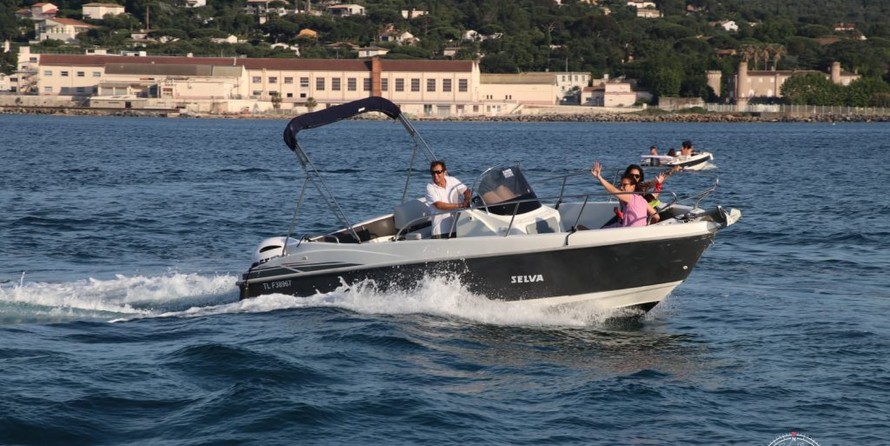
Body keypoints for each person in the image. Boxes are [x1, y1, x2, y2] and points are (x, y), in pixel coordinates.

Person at [591, 161, 659, 227]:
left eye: (624, 185)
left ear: (633, 187)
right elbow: (656, 217)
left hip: (627, 230)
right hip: (639, 228)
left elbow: (613, 190)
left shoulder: (629, 197)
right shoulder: (642, 200)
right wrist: (648, 227)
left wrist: (599, 177)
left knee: (605, 228)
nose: (621, 187)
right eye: (621, 185)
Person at [425, 160, 471, 238]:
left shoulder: (452, 180)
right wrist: (461, 205)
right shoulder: (430, 187)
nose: (435, 175)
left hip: (457, 228)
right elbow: (439, 205)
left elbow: (467, 191)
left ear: (444, 172)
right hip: (441, 231)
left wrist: (467, 200)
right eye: (433, 172)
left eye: (438, 172)